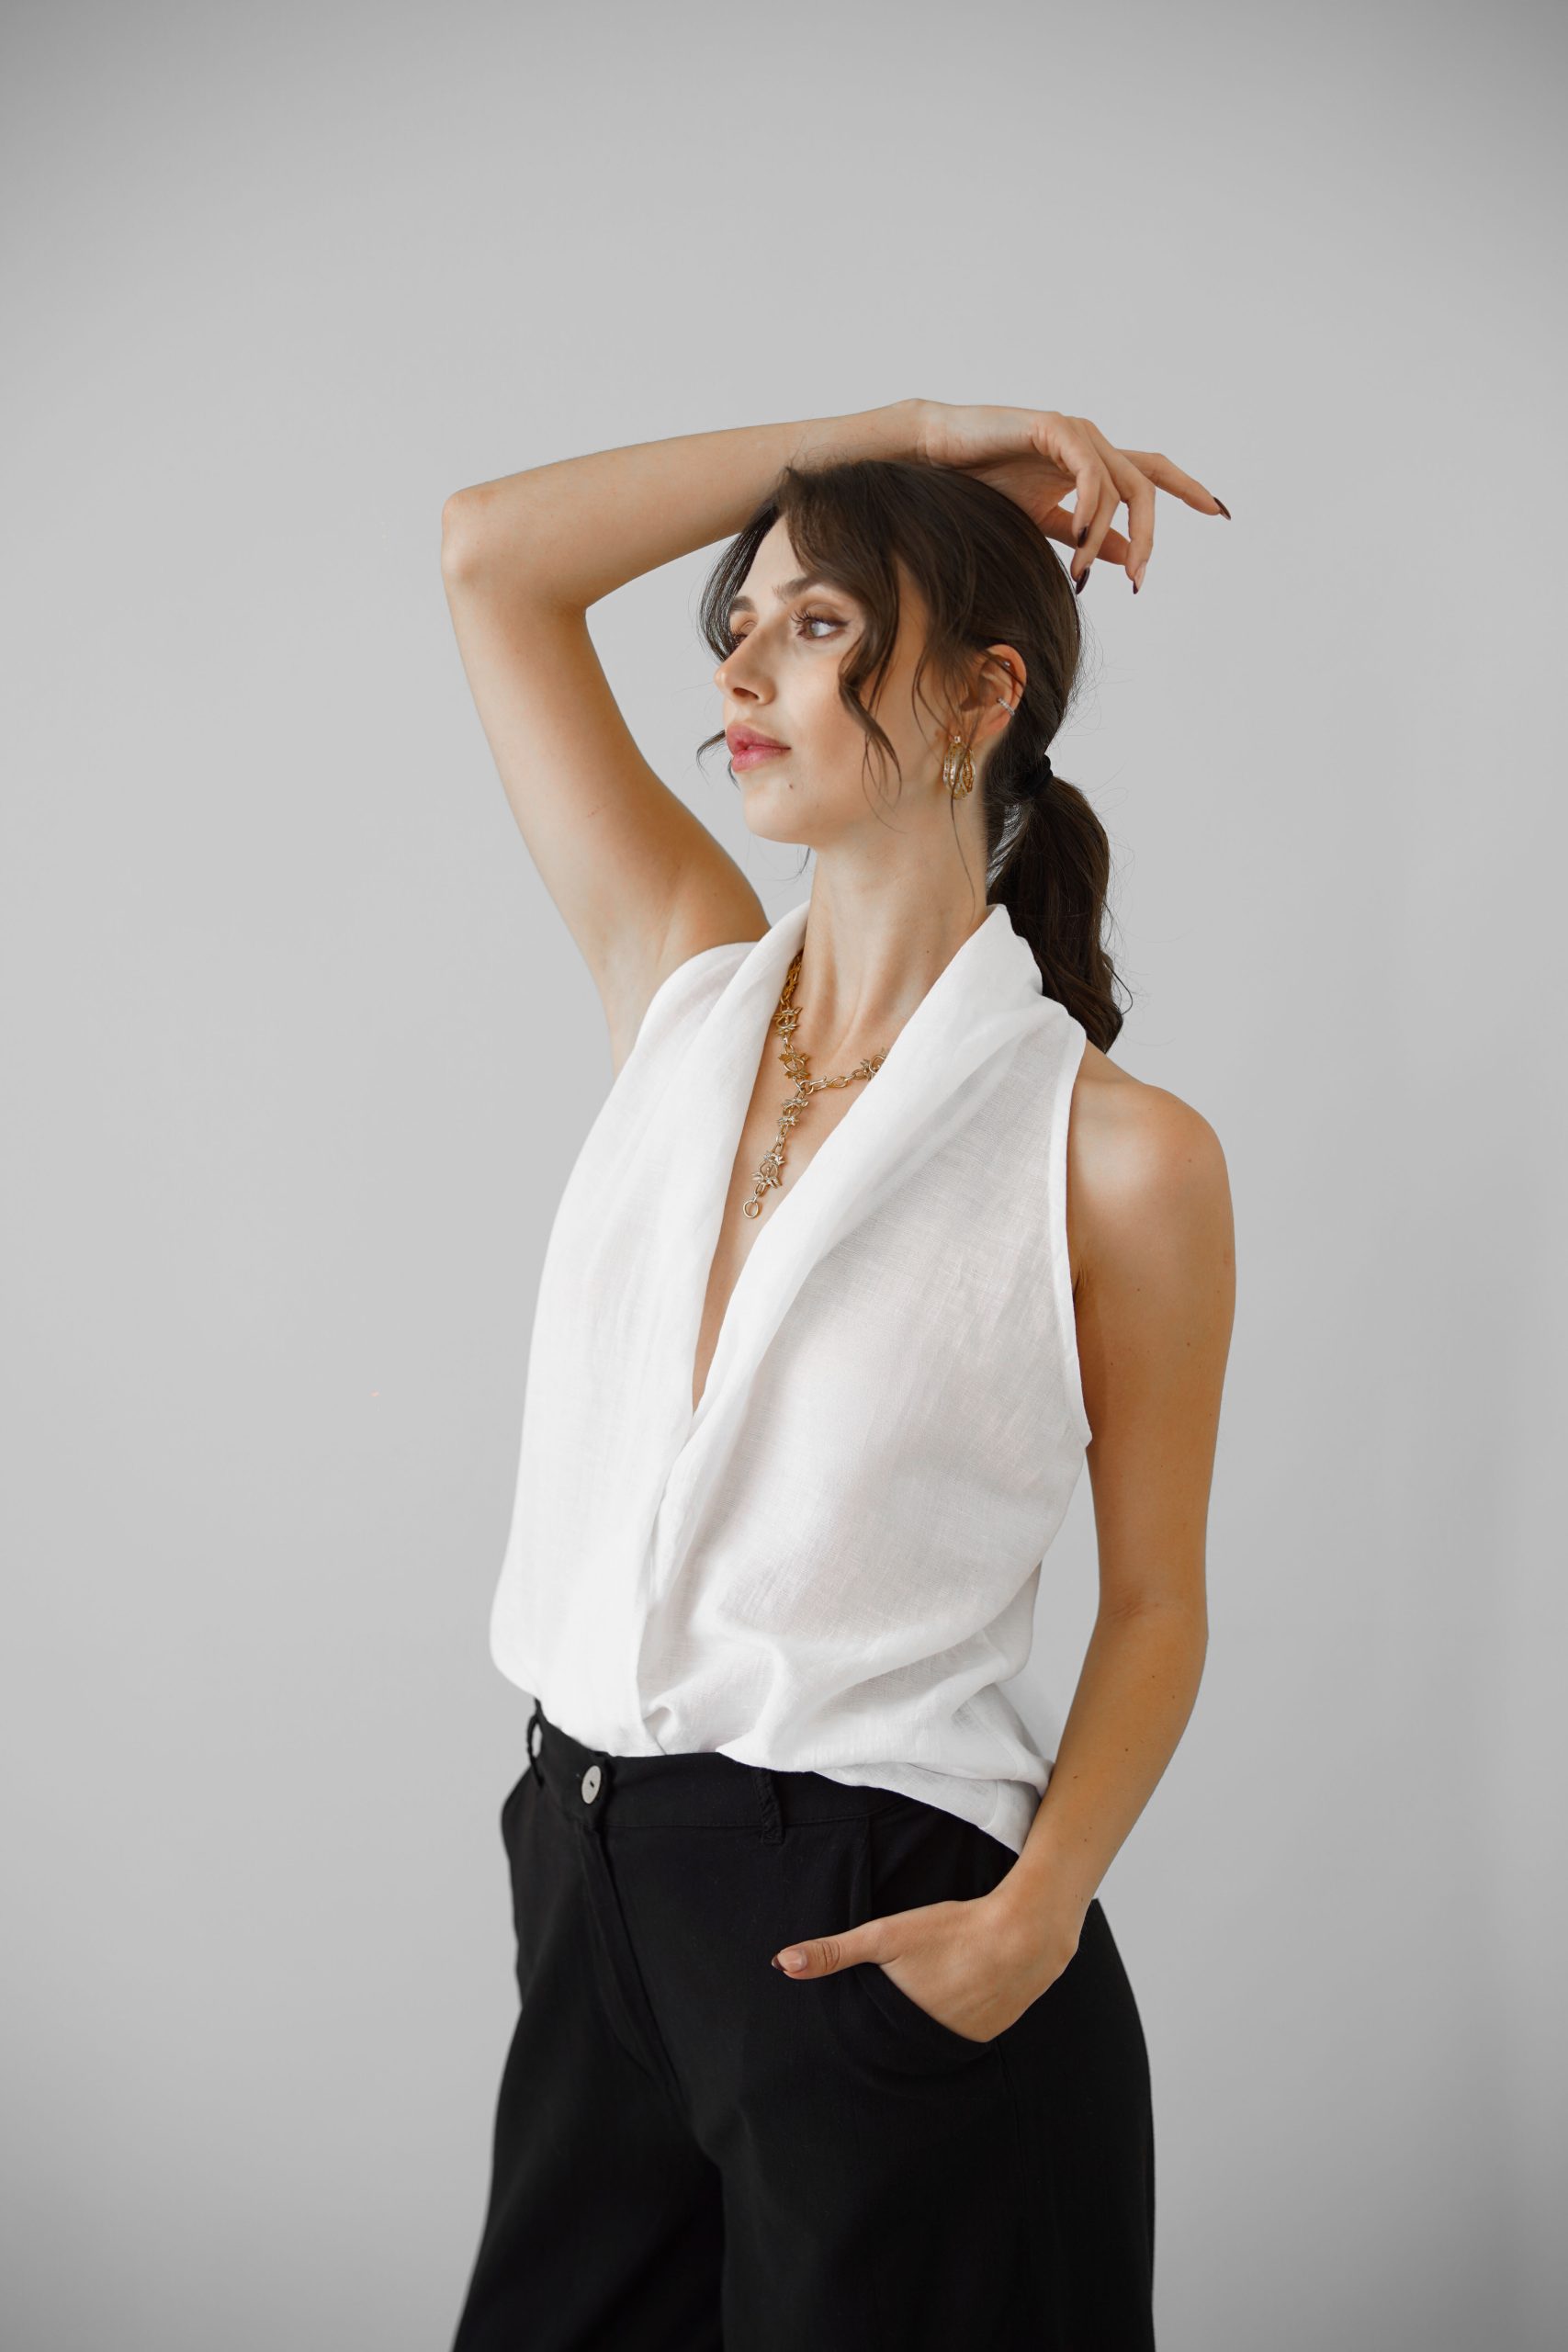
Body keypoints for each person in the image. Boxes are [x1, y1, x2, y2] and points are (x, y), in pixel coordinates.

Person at [438, 398, 1235, 2350]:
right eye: (740, 623)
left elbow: (1155, 1599)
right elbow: (492, 556)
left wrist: (1034, 1913)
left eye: (815, 625)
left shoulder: (1115, 1153)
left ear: (979, 693)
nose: (739, 666)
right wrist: (910, 433)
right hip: (589, 1881)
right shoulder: (683, 985)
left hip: (877, 1912)